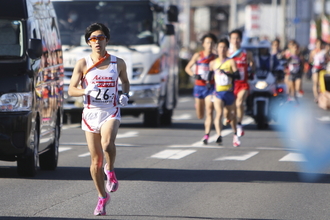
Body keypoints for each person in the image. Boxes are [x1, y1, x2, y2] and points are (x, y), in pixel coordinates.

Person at [68, 23, 130, 216]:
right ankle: (102, 197)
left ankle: (110, 171)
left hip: (110, 110)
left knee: (107, 144)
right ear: (88, 42)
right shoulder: (83, 63)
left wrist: (124, 95)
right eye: (93, 38)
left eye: (100, 38)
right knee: (95, 162)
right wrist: (85, 90)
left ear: (107, 40)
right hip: (90, 114)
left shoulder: (117, 62)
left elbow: (125, 82)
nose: (97, 41)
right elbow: (71, 89)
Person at [185, 33, 217, 144]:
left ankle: (206, 135)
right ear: (203, 44)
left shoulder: (215, 57)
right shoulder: (198, 55)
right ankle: (198, 104)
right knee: (200, 115)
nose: (209, 45)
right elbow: (187, 68)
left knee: (209, 111)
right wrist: (194, 75)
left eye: (212, 43)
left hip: (210, 87)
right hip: (199, 87)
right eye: (207, 42)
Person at [209, 38, 241, 147]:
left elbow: (238, 76)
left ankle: (235, 134)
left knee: (230, 116)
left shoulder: (231, 61)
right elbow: (209, 78)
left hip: (229, 92)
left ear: (227, 49)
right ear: (217, 49)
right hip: (218, 92)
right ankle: (219, 135)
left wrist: (228, 74)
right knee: (219, 113)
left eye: (224, 47)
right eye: (220, 47)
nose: (222, 49)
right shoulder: (213, 63)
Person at [228, 29, 254, 137]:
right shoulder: (227, 53)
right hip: (230, 85)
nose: (235, 40)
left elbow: (252, 63)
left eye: (237, 38)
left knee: (239, 103)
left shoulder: (246, 53)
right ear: (230, 40)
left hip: (243, 84)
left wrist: (251, 69)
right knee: (232, 111)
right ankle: (235, 132)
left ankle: (239, 123)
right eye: (233, 38)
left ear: (241, 40)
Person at [309, 38, 326, 102]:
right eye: (318, 44)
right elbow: (310, 61)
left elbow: (326, 59)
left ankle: (320, 95)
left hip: (322, 68)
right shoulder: (313, 51)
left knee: (320, 83)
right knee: (315, 82)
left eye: (320, 44)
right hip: (315, 68)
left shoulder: (324, 51)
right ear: (316, 44)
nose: (319, 45)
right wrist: (313, 62)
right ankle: (316, 97)